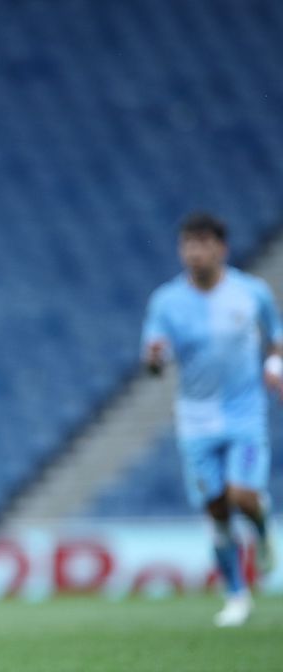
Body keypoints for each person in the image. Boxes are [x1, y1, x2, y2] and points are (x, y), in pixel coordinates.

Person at [142, 212, 280, 628]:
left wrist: (275, 365)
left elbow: (276, 336)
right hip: (196, 421)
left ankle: (259, 527)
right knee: (216, 510)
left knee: (242, 496)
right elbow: (156, 360)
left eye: (202, 244)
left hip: (245, 414)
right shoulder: (166, 302)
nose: (194, 253)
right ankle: (236, 595)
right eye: (187, 245)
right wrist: (154, 361)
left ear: (222, 248)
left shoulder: (251, 293)